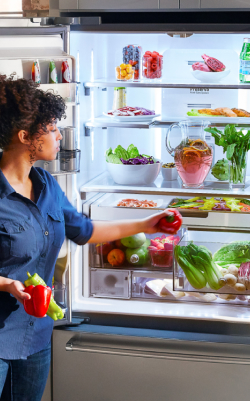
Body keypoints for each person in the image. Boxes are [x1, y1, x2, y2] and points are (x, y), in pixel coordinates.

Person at [0, 74, 177, 401]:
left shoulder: (46, 185)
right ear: (25, 136)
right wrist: (7, 284)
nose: (59, 136)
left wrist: (146, 224)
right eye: (52, 129)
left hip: (35, 336)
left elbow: (86, 231)